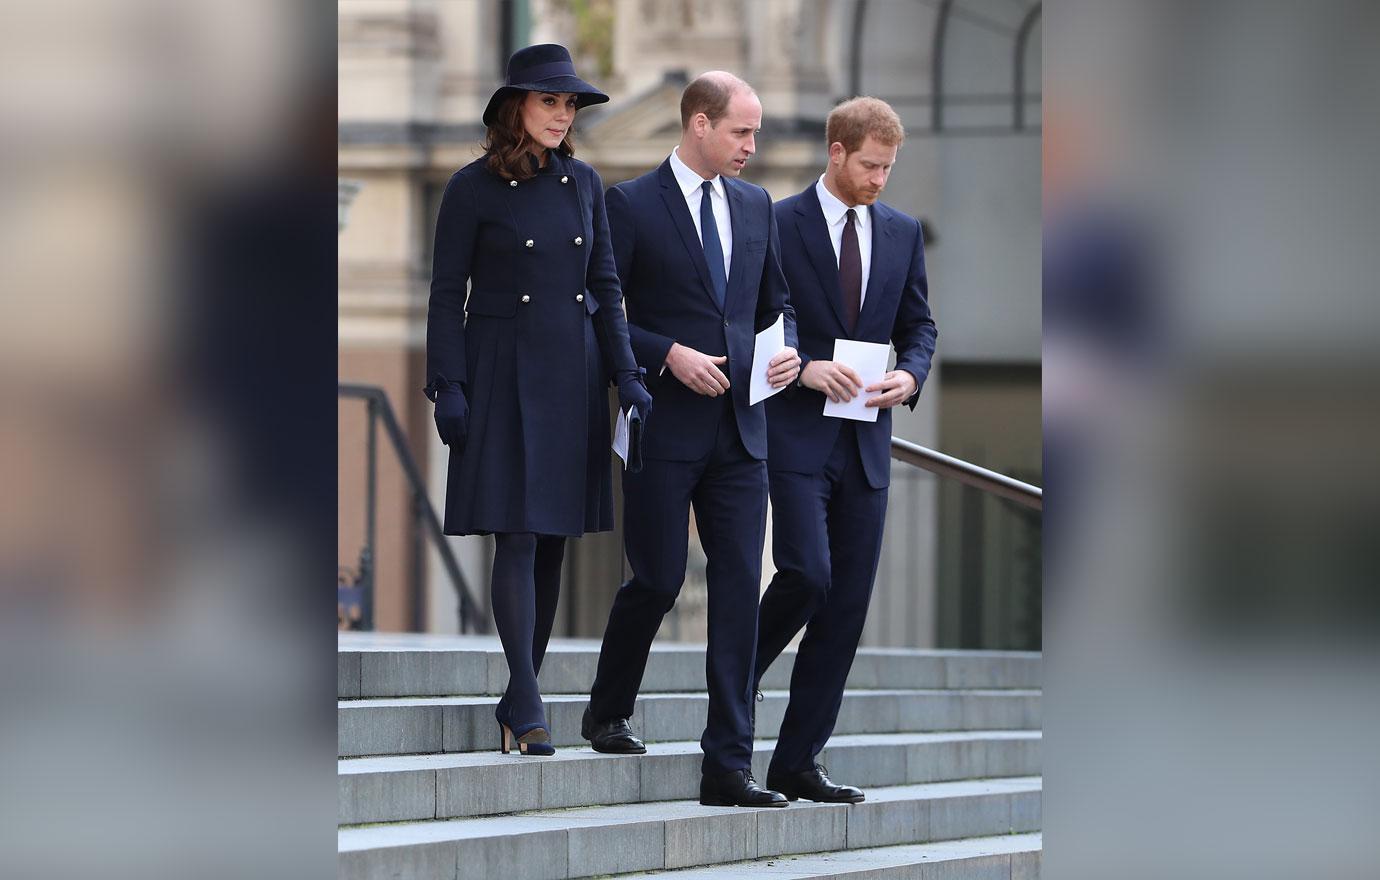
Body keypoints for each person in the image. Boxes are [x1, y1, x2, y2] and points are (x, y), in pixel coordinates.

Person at [580, 71, 801, 809]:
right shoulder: (630, 204)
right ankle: (608, 708)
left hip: (743, 431)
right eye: (741, 131)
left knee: (741, 590)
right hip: (662, 426)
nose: (751, 145)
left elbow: (777, 305)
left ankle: (727, 767)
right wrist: (666, 352)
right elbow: (602, 313)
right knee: (659, 578)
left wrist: (788, 350)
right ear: (699, 124)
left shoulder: (756, 205)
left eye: (755, 132)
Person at [424, 44, 652, 757]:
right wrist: (448, 385)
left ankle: (522, 690)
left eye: (569, 104)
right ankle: (526, 699)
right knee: (515, 532)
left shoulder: (585, 182)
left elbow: (608, 289)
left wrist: (629, 375)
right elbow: (442, 295)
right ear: (513, 106)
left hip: (573, 371)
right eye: (549, 101)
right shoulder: (470, 188)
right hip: (500, 367)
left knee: (551, 536)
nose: (562, 114)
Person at [754, 97, 937, 802]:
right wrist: (802, 364)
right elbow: (767, 314)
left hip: (866, 440)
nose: (880, 179)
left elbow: (920, 325)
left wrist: (909, 374)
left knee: (846, 606)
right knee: (808, 572)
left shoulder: (902, 231)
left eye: (889, 167)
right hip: (797, 432)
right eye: (870, 165)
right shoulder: (776, 221)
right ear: (835, 152)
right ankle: (734, 683)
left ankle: (798, 759)